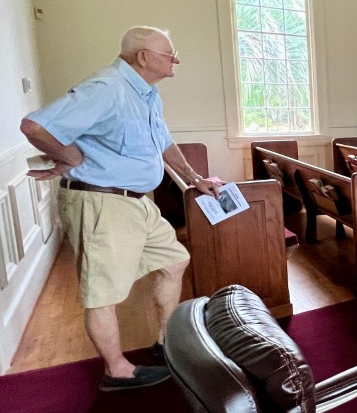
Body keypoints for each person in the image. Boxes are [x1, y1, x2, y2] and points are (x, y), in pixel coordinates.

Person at [20, 26, 222, 391]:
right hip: (103, 202)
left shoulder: (147, 94)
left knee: (175, 260)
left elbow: (164, 142)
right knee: (104, 292)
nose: (176, 61)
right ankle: (117, 371)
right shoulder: (107, 88)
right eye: (170, 54)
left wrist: (195, 178)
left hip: (136, 202)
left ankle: (164, 341)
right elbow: (35, 126)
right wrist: (70, 156)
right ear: (143, 57)